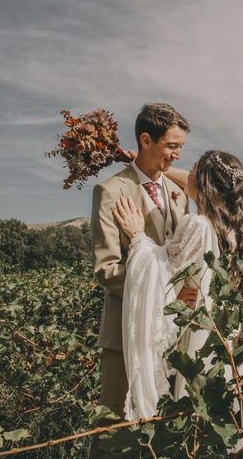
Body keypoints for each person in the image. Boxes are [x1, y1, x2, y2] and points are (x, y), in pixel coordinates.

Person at [111, 150, 243, 420]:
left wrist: (137, 235)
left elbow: (161, 272)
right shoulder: (240, 225)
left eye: (192, 169)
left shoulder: (198, 225)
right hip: (228, 333)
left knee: (194, 408)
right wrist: (147, 163)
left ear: (203, 183)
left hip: (200, 333)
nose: (185, 173)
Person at [89, 103, 191, 458]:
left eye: (180, 146)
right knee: (115, 430)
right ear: (146, 140)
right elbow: (107, 269)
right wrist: (161, 291)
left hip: (172, 330)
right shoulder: (110, 191)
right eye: (171, 146)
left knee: (161, 426)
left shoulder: (177, 193)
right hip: (125, 330)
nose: (177, 154)